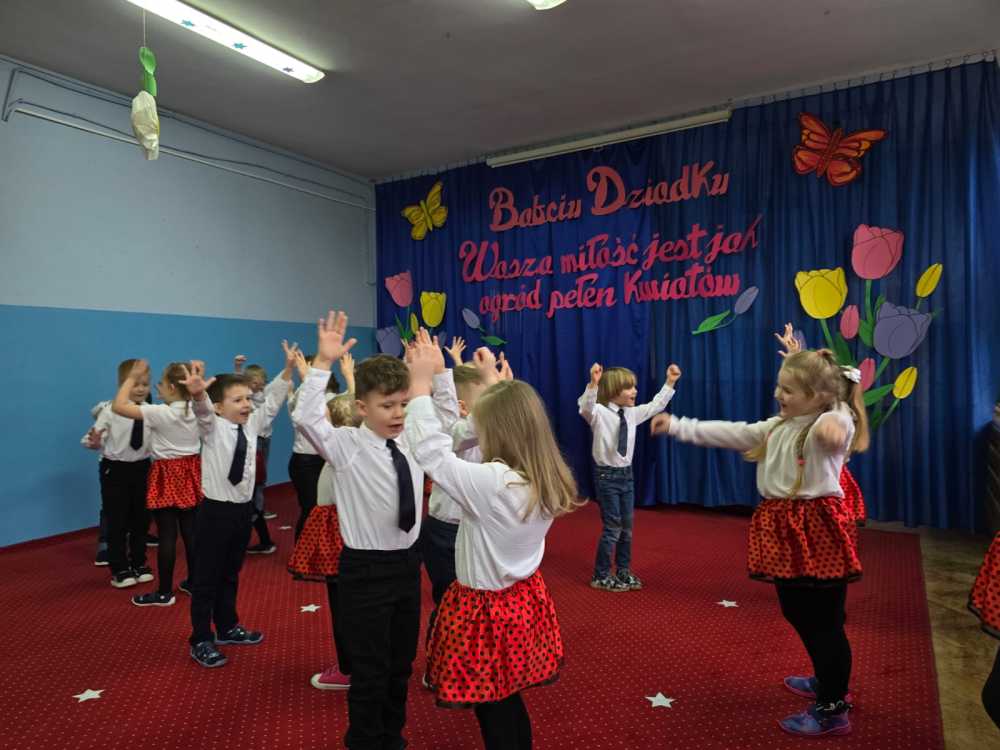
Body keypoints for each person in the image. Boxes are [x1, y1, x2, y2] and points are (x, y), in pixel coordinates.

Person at [652, 349, 868, 737]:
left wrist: (835, 417)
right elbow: (732, 432)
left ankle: (833, 706)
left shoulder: (829, 420)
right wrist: (677, 425)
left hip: (816, 534)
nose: (777, 394)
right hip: (787, 532)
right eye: (779, 386)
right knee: (801, 613)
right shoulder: (777, 426)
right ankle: (827, 678)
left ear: (819, 396)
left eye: (788, 390)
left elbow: (838, 423)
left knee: (823, 622)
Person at [406, 331, 579, 750]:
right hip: (520, 599)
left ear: (495, 430)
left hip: (486, 611)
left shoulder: (494, 483)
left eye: (479, 423)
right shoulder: (539, 475)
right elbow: (460, 434)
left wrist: (420, 386)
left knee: (493, 705)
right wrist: (490, 382)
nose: (473, 429)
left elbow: (432, 452)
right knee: (507, 696)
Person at [183, 344, 293, 668]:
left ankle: (227, 626)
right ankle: (201, 638)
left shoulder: (253, 425)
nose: (246, 404)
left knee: (230, 573)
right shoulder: (212, 427)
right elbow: (202, 411)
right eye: (237, 400)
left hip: (241, 512)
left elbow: (272, 401)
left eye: (247, 398)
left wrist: (288, 371)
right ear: (219, 407)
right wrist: (198, 395)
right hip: (215, 512)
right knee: (206, 577)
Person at [579, 360, 679, 591]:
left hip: (627, 477)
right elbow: (585, 407)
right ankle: (601, 575)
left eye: (634, 386)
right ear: (613, 391)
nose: (634, 391)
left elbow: (655, 405)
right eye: (628, 387)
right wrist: (593, 384)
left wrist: (670, 382)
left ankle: (623, 571)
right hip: (606, 477)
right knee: (612, 528)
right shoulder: (598, 413)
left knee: (627, 528)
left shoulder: (632, 414)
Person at [113, 361, 202, 607]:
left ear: (172, 387)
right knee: (191, 532)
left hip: (166, 473)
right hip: (191, 470)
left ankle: (164, 593)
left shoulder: (161, 412)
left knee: (167, 535)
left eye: (161, 383)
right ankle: (195, 583)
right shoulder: (196, 409)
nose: (157, 387)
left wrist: (131, 377)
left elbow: (119, 406)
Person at [82, 359, 153, 588]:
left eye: (145, 384)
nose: (140, 389)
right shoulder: (110, 410)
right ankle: (119, 567)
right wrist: (94, 442)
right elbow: (92, 439)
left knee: (141, 519)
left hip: (142, 468)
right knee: (117, 519)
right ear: (122, 384)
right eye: (134, 383)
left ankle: (139, 562)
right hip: (115, 469)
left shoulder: (151, 411)